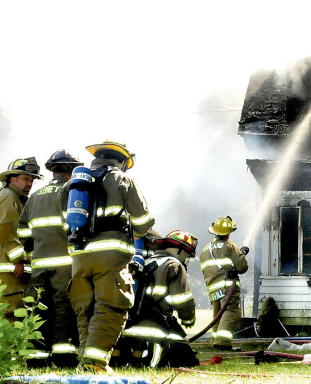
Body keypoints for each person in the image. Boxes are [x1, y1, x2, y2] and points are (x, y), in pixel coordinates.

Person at [65, 140, 154, 373]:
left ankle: (86, 360)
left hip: (79, 256)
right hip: (110, 256)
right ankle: (95, 363)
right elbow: (143, 222)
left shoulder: (76, 182)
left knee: (86, 309)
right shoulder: (122, 179)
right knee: (111, 306)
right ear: (122, 161)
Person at [18, 150, 83, 368]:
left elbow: (23, 233)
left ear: (52, 170)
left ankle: (35, 359)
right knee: (64, 309)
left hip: (39, 265)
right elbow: (74, 225)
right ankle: (63, 357)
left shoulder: (35, 196)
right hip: (65, 264)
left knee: (37, 309)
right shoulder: (70, 192)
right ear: (72, 170)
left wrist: (35, 251)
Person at [115, 230, 199, 368]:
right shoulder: (174, 265)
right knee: (186, 359)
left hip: (130, 326)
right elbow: (183, 301)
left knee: (181, 347)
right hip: (155, 328)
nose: (186, 260)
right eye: (187, 255)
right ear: (180, 251)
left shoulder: (146, 262)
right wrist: (188, 319)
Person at [0, 157, 41, 320]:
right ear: (12, 179)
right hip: (7, 271)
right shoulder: (8, 197)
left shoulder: (11, 198)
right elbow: (6, 228)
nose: (29, 183)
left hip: (2, 271)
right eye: (25, 179)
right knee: (9, 317)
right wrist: (18, 259)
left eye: (31, 180)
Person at [199, 216, 249, 351]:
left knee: (218, 314)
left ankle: (215, 341)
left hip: (212, 287)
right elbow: (242, 267)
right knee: (231, 311)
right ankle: (222, 342)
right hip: (227, 286)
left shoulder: (205, 249)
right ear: (229, 232)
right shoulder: (229, 246)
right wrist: (242, 255)